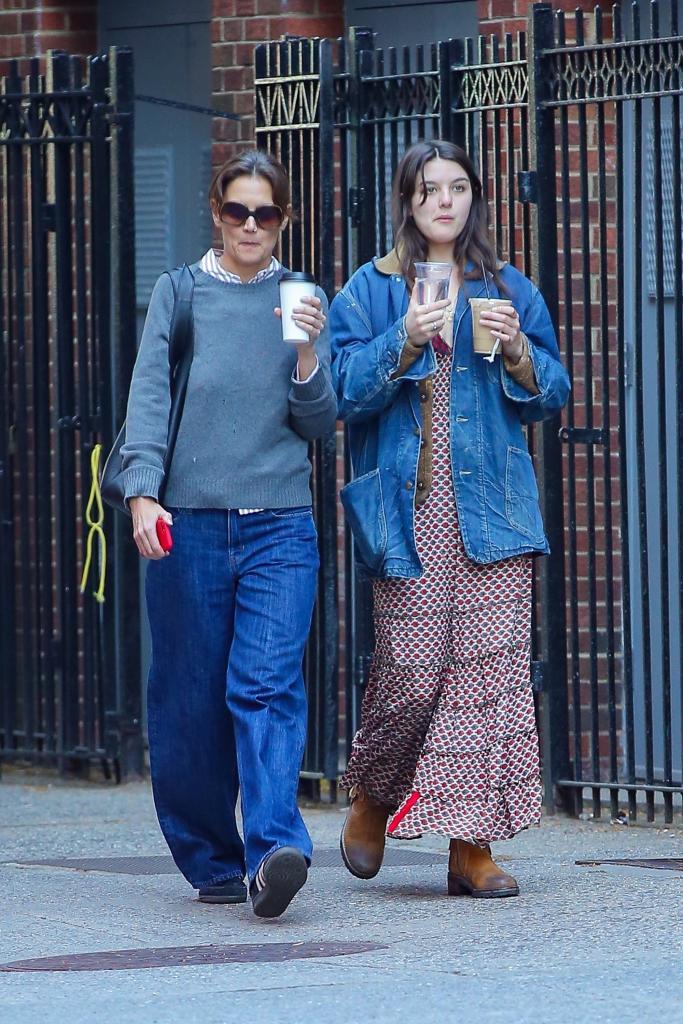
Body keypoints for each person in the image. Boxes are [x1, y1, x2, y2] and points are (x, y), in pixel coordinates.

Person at [329, 139, 570, 898]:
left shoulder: (505, 287)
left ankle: (472, 848)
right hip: (409, 512)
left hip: (493, 512)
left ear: (473, 199)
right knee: (410, 672)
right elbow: (339, 394)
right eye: (429, 188)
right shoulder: (370, 291)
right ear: (407, 200)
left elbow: (552, 391)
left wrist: (519, 353)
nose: (444, 200)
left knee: (490, 680)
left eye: (457, 187)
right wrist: (400, 339)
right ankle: (372, 794)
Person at [120, 148, 337, 918]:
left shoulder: (303, 297)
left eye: (267, 213)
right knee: (188, 699)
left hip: (279, 523)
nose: (251, 225)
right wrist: (142, 493)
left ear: (284, 220)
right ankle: (211, 855)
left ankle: (275, 847)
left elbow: (319, 422)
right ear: (216, 213)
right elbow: (149, 397)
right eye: (238, 211)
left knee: (265, 685)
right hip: (191, 524)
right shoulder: (179, 294)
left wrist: (308, 350)